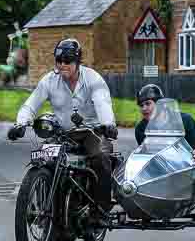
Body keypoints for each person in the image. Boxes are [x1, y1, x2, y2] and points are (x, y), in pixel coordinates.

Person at [7, 38, 118, 225]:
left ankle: (100, 211)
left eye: (67, 60)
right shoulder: (49, 80)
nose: (62, 65)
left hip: (91, 131)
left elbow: (103, 102)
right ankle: (48, 207)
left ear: (77, 61)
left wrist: (107, 124)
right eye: (59, 61)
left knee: (100, 157)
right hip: (62, 133)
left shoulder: (93, 79)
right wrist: (20, 124)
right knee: (43, 159)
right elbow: (31, 105)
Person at [134, 84, 195, 163]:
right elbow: (145, 156)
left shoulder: (185, 120)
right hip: (158, 168)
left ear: (160, 104)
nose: (144, 108)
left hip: (185, 165)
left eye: (147, 103)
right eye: (141, 105)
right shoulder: (140, 129)